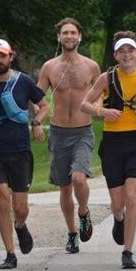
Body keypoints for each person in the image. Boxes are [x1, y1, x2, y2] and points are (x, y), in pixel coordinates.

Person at [80, 31, 136, 269]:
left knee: (132, 195)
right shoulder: (106, 79)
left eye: (131, 51)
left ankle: (128, 251)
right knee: (118, 204)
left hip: (135, 142)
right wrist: (103, 112)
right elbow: (84, 104)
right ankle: (118, 218)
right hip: (112, 143)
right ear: (116, 55)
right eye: (122, 51)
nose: (126, 55)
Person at [0, 39, 49, 269]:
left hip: (19, 151)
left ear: (10, 56)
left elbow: (44, 105)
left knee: (20, 207)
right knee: (2, 200)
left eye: (2, 56)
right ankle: (10, 254)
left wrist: (36, 122)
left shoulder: (23, 81)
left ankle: (20, 225)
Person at [37, 18, 100, 253]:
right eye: (65, 33)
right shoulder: (49, 67)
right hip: (59, 132)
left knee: (78, 179)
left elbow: (102, 91)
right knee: (64, 187)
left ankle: (83, 212)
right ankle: (72, 233)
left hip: (83, 131)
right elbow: (37, 94)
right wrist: (38, 116)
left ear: (80, 36)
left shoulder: (91, 66)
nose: (69, 36)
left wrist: (98, 107)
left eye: (73, 32)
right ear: (59, 37)